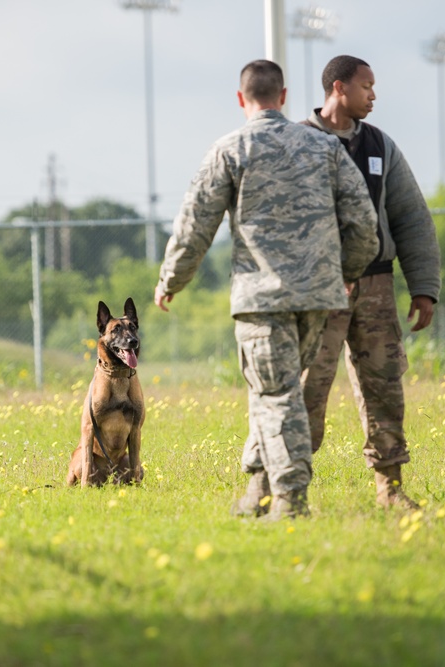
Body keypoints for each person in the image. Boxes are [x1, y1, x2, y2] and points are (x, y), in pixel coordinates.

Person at [153, 59, 378, 520]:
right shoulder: (325, 148)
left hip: (263, 301)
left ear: (241, 100)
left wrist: (170, 281)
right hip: (318, 297)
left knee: (276, 396)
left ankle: (291, 501)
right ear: (283, 97)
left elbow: (196, 225)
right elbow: (364, 223)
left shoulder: (230, 148)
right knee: (274, 392)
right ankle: (257, 490)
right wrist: (347, 272)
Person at [301, 55, 442, 510]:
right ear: (338, 88)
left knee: (384, 385)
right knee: (306, 387)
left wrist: (424, 286)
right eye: (367, 86)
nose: (374, 95)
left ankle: (390, 490)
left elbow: (411, 217)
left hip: (377, 286)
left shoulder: (381, 146)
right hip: (318, 288)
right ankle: (288, 488)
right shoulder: (298, 143)